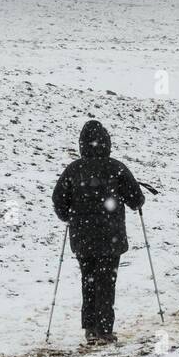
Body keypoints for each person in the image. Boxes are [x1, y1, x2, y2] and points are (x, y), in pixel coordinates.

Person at [51, 119, 145, 345]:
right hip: (109, 238)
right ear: (106, 142)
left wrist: (68, 216)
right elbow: (136, 199)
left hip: (83, 237)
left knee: (89, 279)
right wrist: (137, 200)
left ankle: (91, 328)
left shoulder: (74, 170)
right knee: (106, 280)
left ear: (83, 143)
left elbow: (58, 199)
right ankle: (104, 329)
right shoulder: (116, 167)